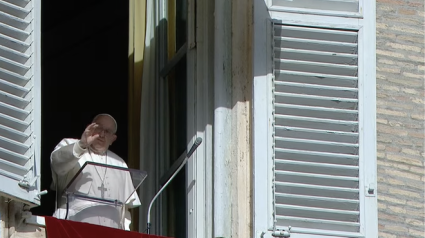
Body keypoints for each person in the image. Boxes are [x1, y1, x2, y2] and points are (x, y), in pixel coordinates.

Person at [50, 114, 141, 230]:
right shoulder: (71, 145)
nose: (102, 135)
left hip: (111, 231)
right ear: (90, 127)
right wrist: (82, 145)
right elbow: (57, 163)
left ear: (113, 139)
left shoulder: (120, 163)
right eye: (98, 128)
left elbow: (124, 209)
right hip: (73, 228)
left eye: (107, 131)